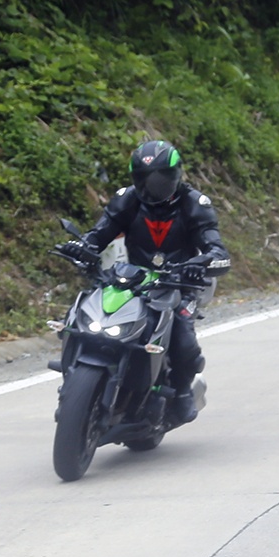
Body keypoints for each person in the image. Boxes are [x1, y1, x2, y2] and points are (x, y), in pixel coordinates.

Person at [57, 140, 232, 424]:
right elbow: (100, 233)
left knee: (183, 336)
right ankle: (72, 383)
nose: (152, 187)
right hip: (132, 277)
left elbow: (216, 249)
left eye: (160, 179)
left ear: (176, 176)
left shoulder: (194, 204)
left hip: (179, 282)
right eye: (144, 179)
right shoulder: (127, 199)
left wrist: (201, 264)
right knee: (83, 314)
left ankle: (182, 393)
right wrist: (82, 246)